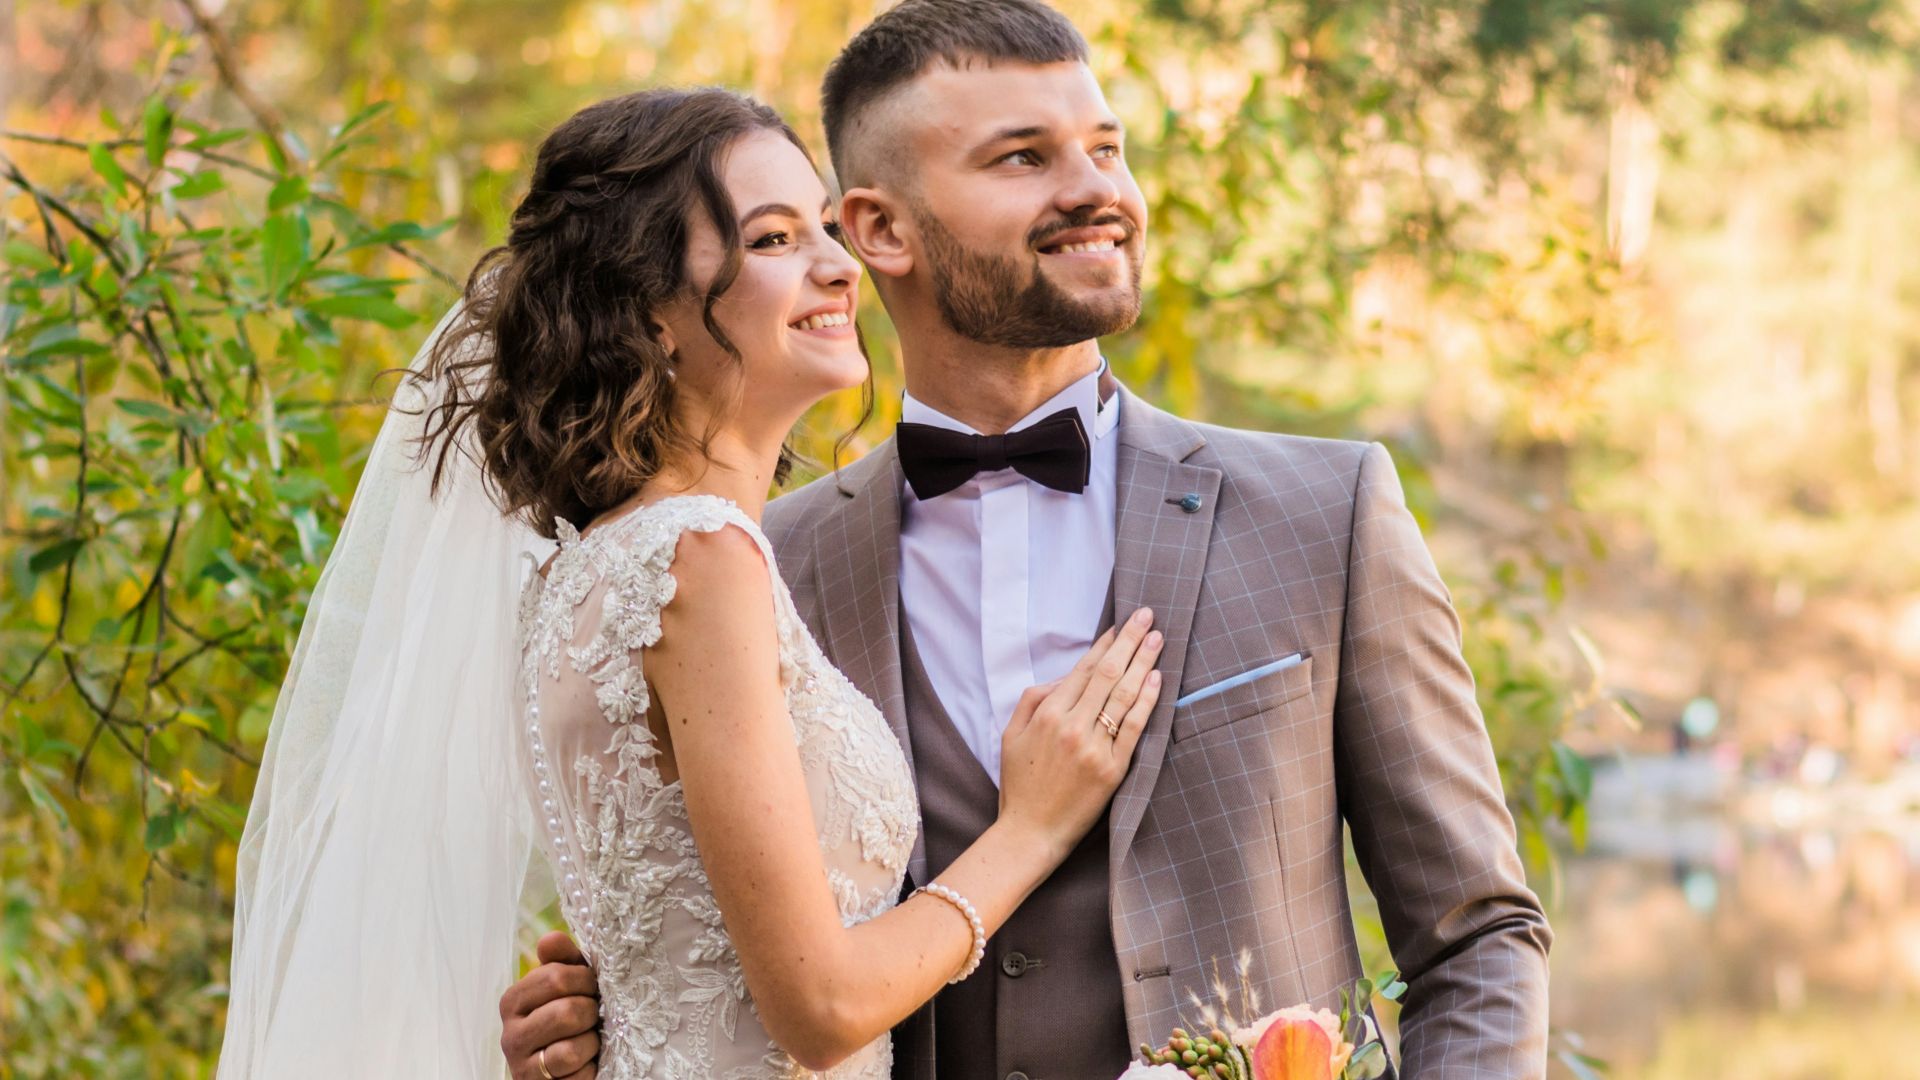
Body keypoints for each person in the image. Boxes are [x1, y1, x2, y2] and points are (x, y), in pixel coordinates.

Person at [503, 1, 1553, 1079]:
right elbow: (740, 953)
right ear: (880, 230)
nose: (1098, 189)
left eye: (1106, 149)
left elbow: (1479, 938)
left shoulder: (1323, 514)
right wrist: (601, 1021)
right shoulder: (759, 557)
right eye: (1023, 157)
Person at [218, 87, 1163, 1079]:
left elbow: (674, 945)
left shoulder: (582, 574)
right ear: (653, 315)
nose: (837, 267)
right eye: (772, 240)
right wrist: (1033, 827)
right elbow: (822, 1005)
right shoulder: (697, 563)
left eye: (823, 230)